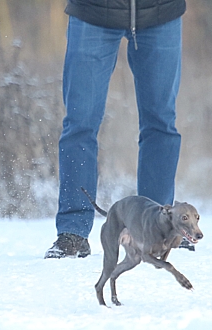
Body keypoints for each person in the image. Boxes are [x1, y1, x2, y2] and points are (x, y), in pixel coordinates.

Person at [45, 0, 188, 258]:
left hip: (160, 11)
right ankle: (73, 233)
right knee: (80, 124)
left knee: (161, 123)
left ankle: (159, 228)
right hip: (92, 11)